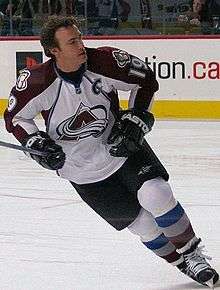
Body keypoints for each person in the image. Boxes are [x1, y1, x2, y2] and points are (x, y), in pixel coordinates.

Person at [4, 15, 219, 288]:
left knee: (157, 194)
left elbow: (146, 80)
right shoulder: (36, 82)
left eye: (80, 37)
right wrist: (36, 143)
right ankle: (180, 263)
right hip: (80, 170)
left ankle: (192, 254)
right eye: (72, 42)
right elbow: (15, 119)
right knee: (142, 225)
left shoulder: (104, 61)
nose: (81, 44)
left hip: (120, 147)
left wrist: (138, 117)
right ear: (53, 51)